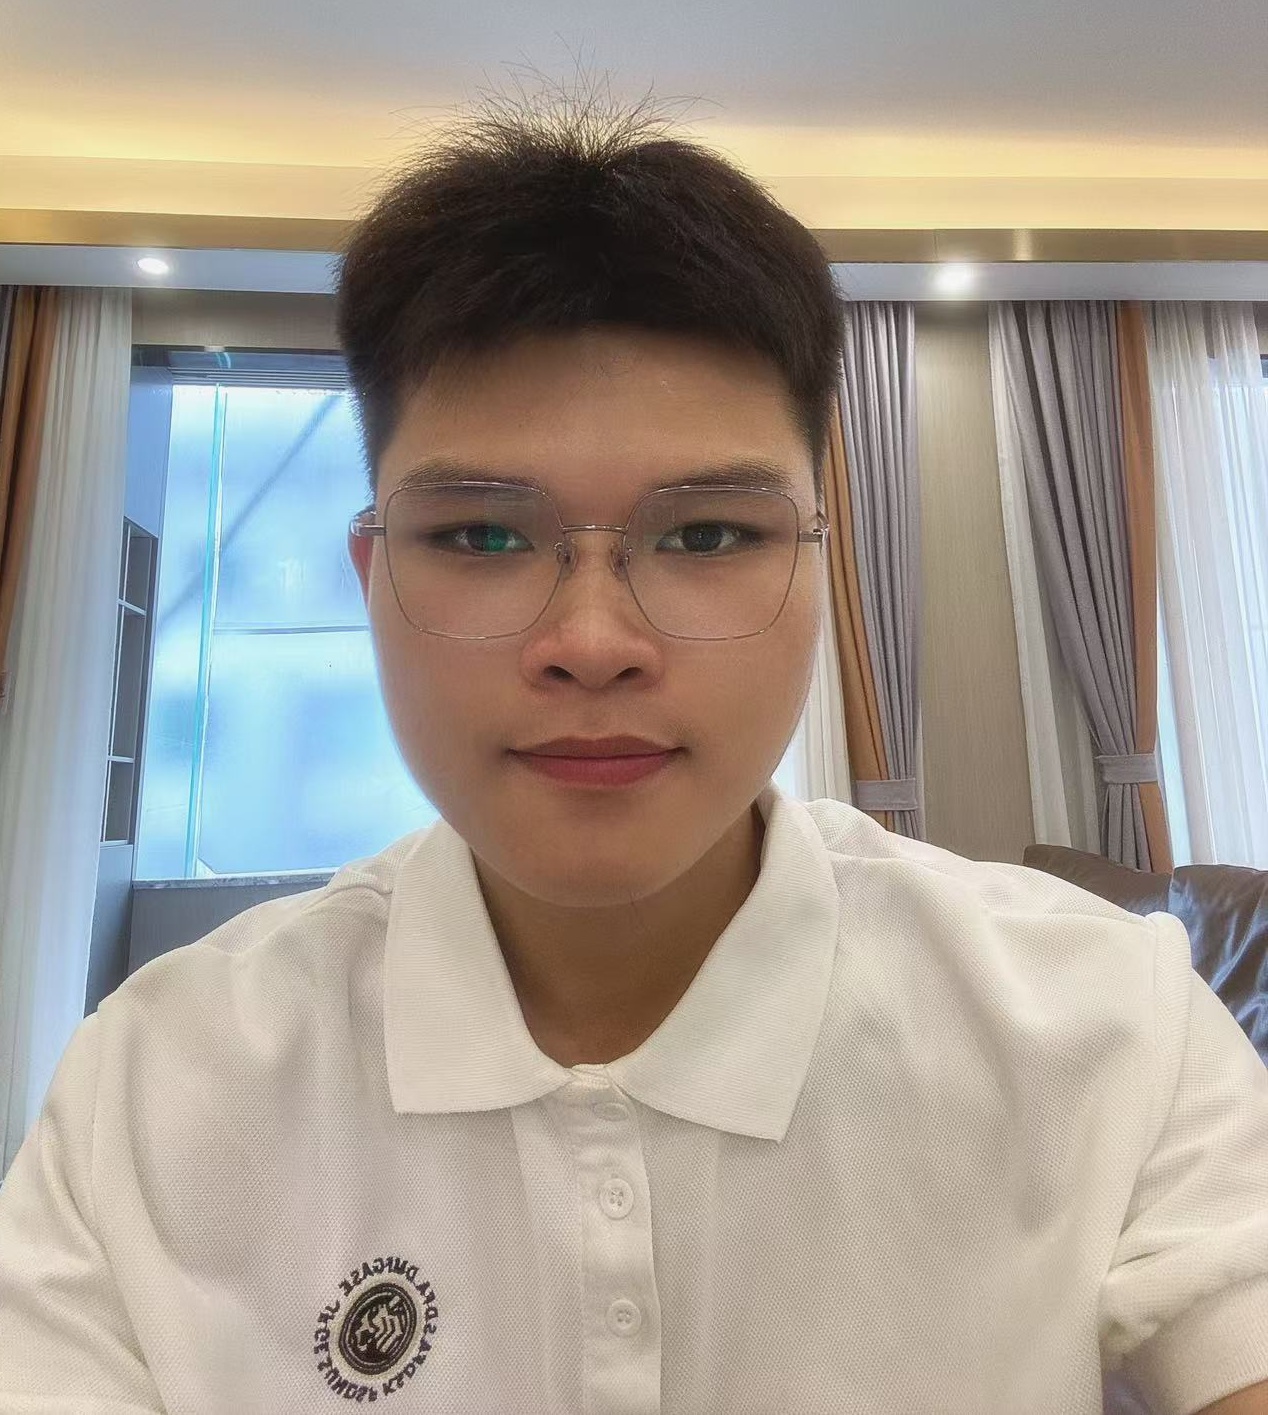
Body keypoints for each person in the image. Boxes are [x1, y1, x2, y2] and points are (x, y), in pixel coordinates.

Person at [2, 79, 1267, 1415]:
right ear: (373, 578)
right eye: (482, 535)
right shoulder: (158, 1089)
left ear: (820, 572)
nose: (592, 643)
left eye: (708, 534)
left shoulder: (1108, 1026)